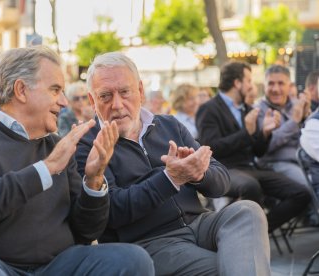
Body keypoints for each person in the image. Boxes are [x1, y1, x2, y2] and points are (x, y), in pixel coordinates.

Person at [0, 47, 154, 276]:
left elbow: (86, 232)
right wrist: (46, 169)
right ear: (21, 90)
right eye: (55, 90)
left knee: (133, 260)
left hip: (54, 266)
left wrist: (94, 180)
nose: (64, 102)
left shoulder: (57, 146)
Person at [76, 52, 270, 276]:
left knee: (247, 211)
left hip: (201, 223)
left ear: (140, 91)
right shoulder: (88, 144)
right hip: (151, 242)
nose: (117, 104)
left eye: (124, 92)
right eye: (105, 96)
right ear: (92, 101)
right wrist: (170, 179)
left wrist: (198, 174)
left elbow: (222, 183)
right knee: (235, 266)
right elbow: (112, 212)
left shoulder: (168, 124)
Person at [196, 61, 311, 233]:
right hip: (224, 169)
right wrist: (247, 133)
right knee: (250, 186)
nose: (251, 86)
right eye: (248, 81)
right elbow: (211, 148)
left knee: (301, 193)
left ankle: (260, 230)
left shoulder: (247, 109)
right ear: (237, 83)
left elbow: (258, 151)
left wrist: (264, 132)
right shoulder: (209, 109)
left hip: (251, 168)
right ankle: (247, 234)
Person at [256, 65, 310, 186]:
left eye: (281, 83)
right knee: (309, 186)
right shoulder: (258, 110)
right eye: (271, 83)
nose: (275, 89)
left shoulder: (297, 104)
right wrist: (294, 122)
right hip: (275, 164)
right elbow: (265, 148)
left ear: (289, 86)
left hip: (304, 161)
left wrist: (306, 117)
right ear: (264, 86)